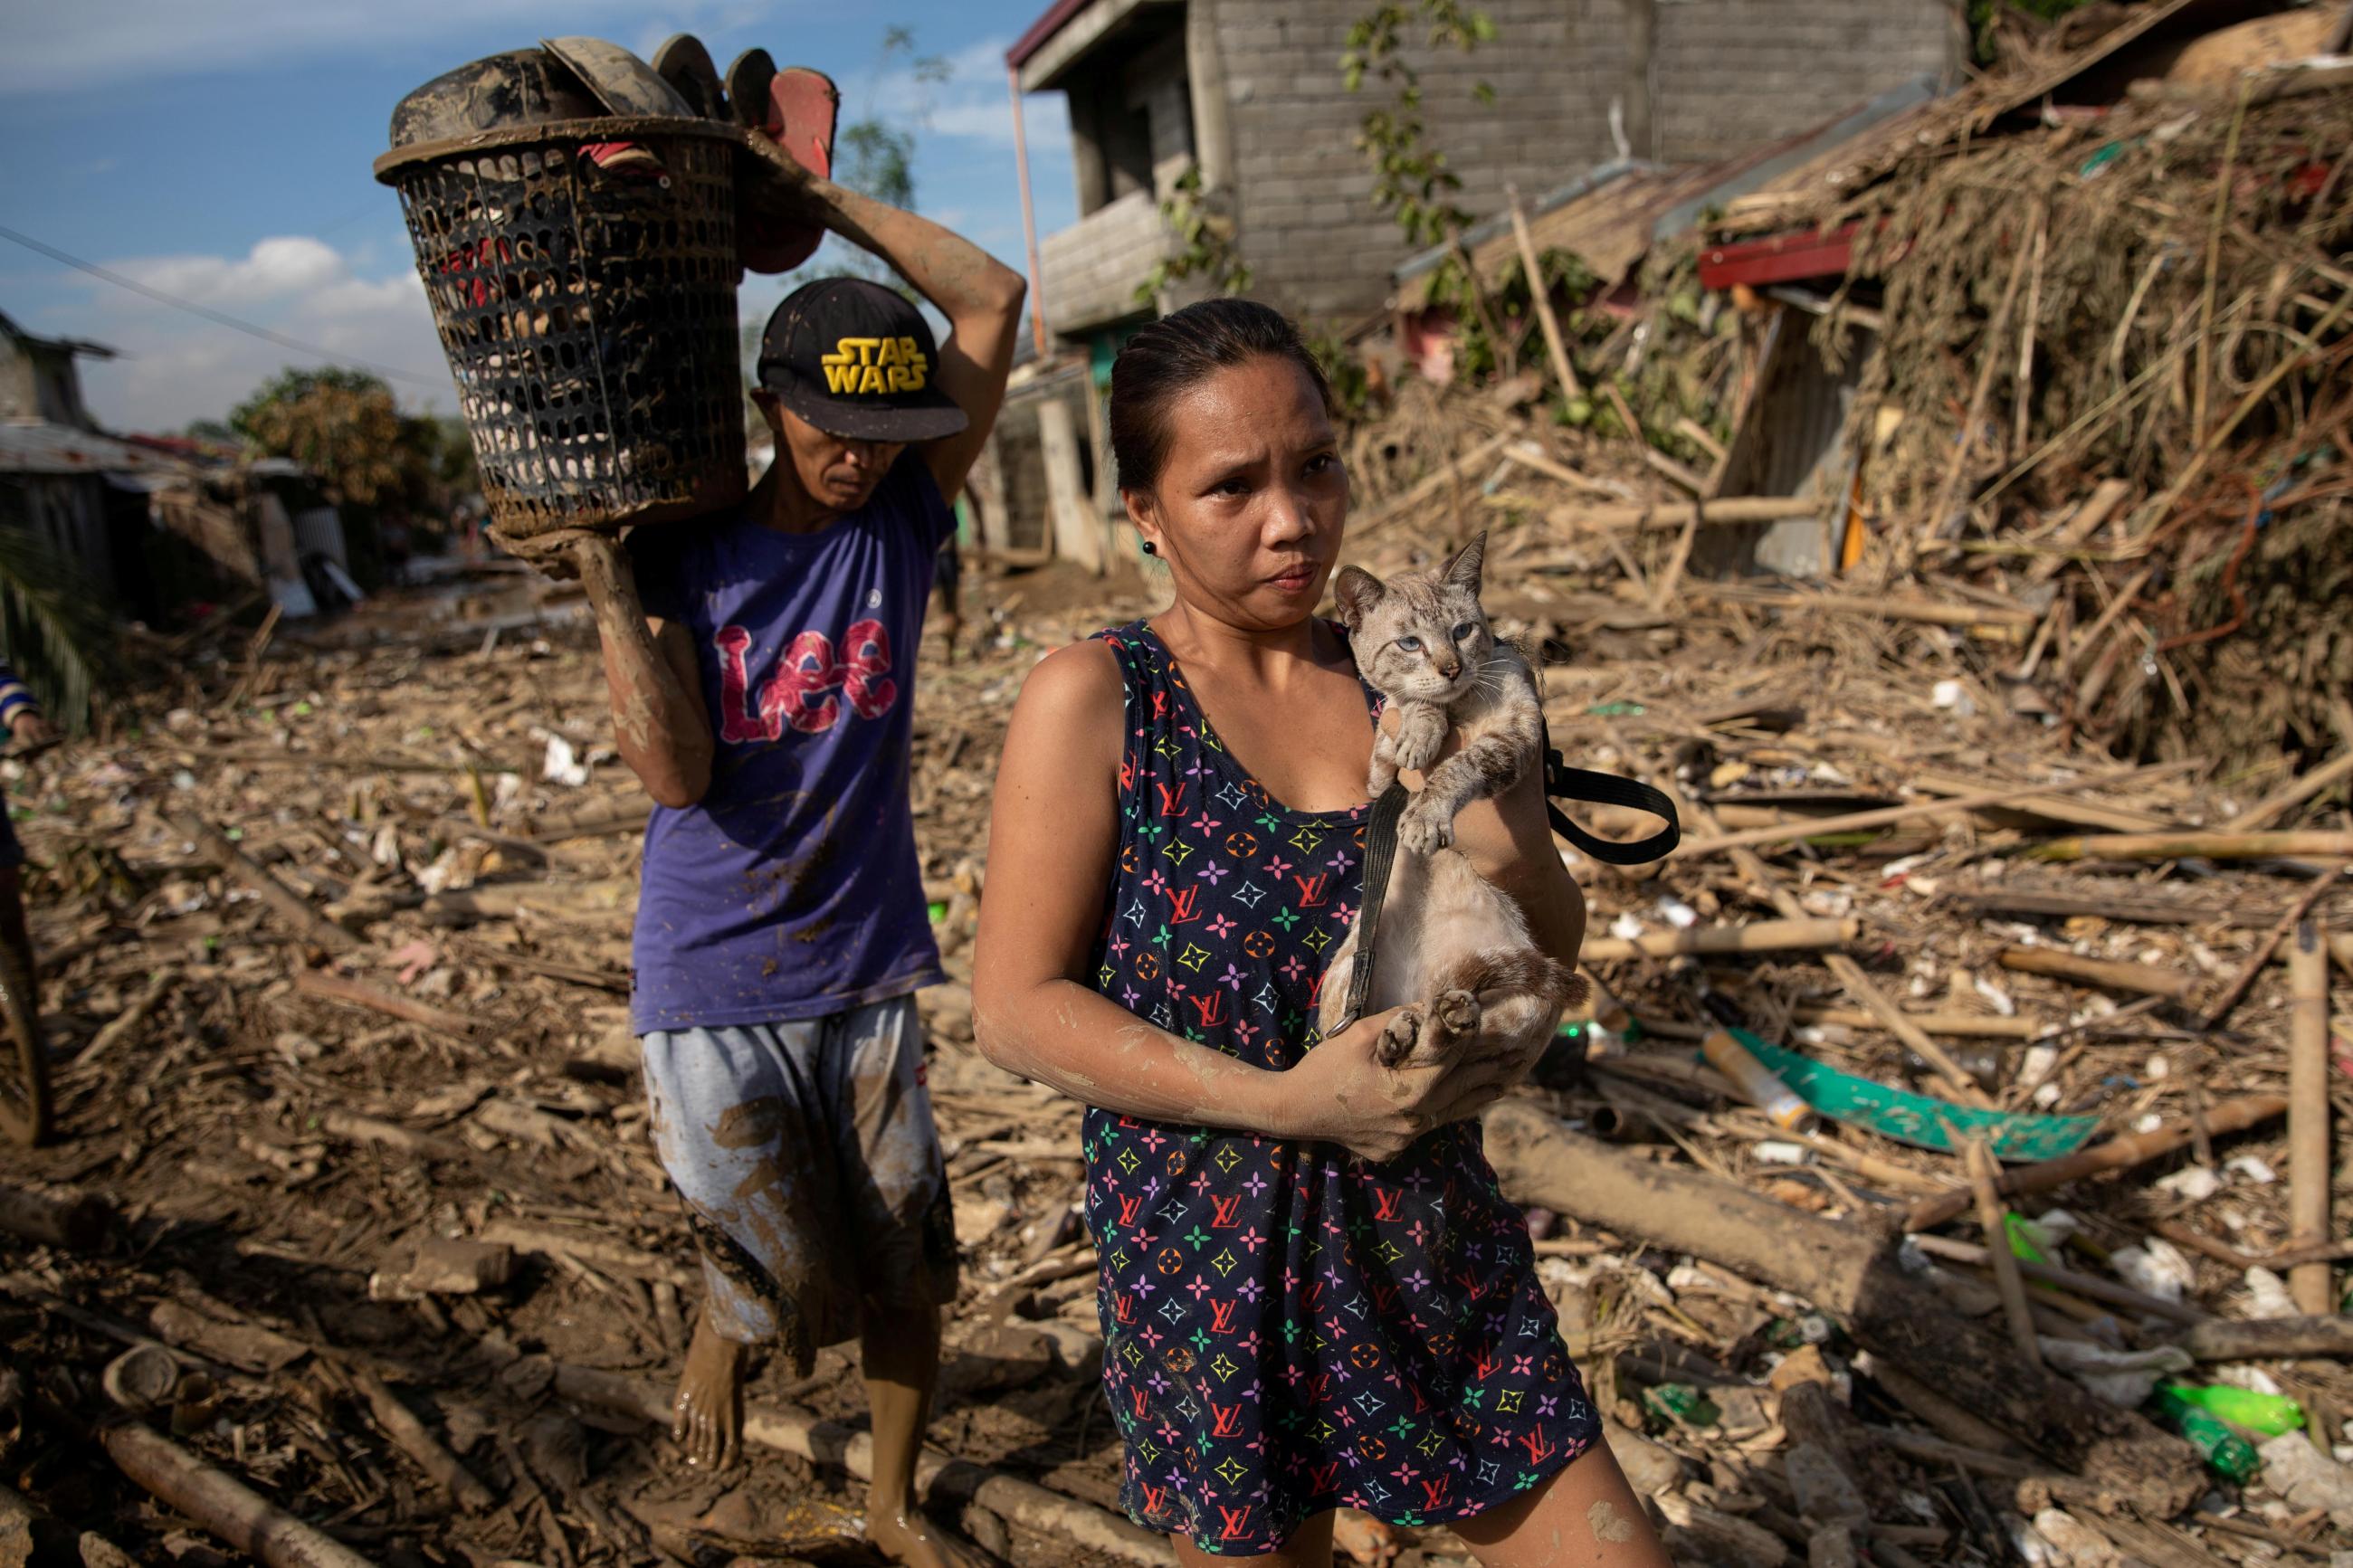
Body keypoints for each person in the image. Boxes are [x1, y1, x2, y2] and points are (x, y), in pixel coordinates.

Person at [969, 299, 1669, 1567]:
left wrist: (1513, 831)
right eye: (1231, 485)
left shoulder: (1407, 672)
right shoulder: (1098, 699)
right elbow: (1014, 1005)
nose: (1290, 519)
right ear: (1144, 510)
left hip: (1422, 1229)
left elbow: (1551, 937)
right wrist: (1290, 1100)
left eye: (1316, 465)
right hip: (1210, 1257)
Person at [574, 153, 1024, 1568]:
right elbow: (678, 774)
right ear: (773, 409)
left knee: (905, 1254)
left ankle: (888, 1503)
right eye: (834, 426)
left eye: (884, 428)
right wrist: (607, 587)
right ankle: (732, 1318)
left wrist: (805, 201)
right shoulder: (692, 558)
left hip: (866, 957)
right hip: (710, 969)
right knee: (786, 1268)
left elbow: (996, 295)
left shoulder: (902, 521)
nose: (862, 453)